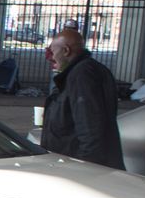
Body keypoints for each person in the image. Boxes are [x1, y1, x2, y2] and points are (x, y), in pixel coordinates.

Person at [42, 27, 124, 168]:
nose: (52, 58)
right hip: (75, 162)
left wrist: (83, 167)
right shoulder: (83, 71)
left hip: (79, 166)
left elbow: (90, 126)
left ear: (66, 51)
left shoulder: (82, 74)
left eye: (53, 52)